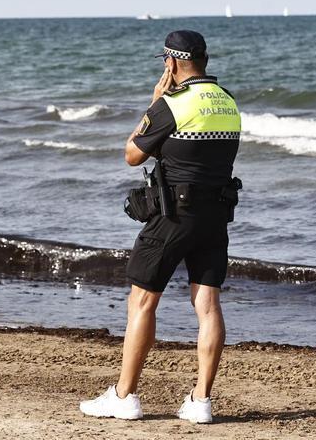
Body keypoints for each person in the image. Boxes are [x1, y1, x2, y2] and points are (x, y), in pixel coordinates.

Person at [80, 30, 242, 424]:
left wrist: (154, 103)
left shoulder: (173, 103)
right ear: (202, 59)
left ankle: (124, 395)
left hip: (173, 216)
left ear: (171, 63)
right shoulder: (228, 103)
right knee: (207, 305)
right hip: (216, 214)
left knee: (142, 301)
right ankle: (201, 401)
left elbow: (133, 154)